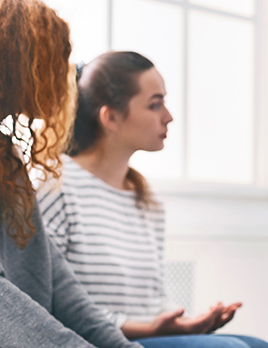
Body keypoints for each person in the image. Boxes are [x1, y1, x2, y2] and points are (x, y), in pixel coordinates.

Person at [36, 51, 268, 348]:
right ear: (110, 117)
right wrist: (146, 329)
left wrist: (185, 324)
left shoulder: (146, 200)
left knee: (260, 345)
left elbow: (153, 300)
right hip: (97, 339)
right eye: (155, 104)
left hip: (148, 336)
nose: (169, 116)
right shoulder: (56, 186)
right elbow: (49, 298)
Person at [0, 1, 140, 347]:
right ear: (15, 64)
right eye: (52, 59)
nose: (65, 73)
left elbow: (62, 286)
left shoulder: (8, 160)